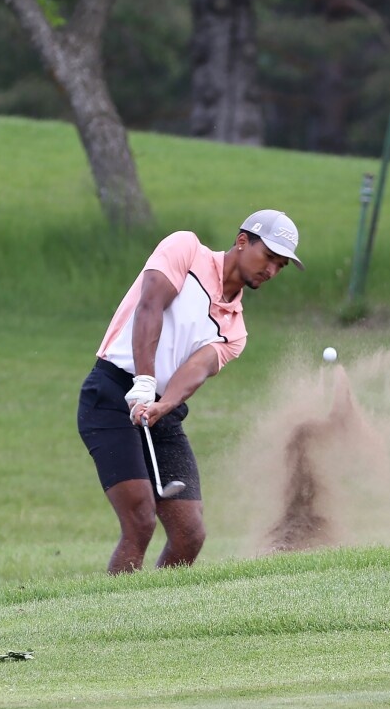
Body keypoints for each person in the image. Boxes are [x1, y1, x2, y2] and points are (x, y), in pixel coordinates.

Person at [77, 209, 304, 574]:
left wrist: (162, 404)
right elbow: (150, 305)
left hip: (162, 413)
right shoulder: (186, 249)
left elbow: (195, 370)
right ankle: (111, 620)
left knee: (189, 534)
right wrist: (145, 381)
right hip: (111, 393)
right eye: (269, 258)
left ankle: (152, 615)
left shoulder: (235, 330)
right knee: (140, 521)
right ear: (242, 241)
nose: (272, 271)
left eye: (281, 266)